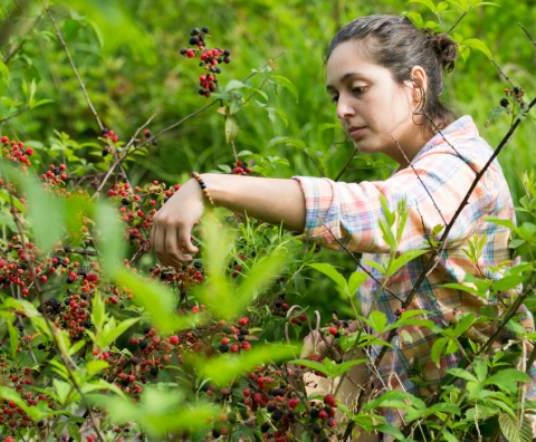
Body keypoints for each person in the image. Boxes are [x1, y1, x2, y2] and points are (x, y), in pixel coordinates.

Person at [150, 14, 535, 439]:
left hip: (483, 424)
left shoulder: (462, 166)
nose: (342, 110)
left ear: (416, 86)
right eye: (335, 95)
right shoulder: (416, 178)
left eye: (358, 89)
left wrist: (212, 188)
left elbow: (369, 211)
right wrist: (351, 346)